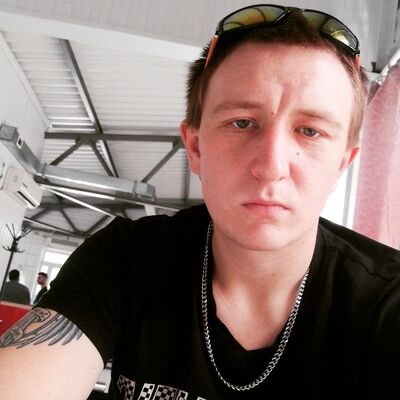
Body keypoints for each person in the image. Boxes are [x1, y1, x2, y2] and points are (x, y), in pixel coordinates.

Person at [0, 4, 399, 399]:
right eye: (242, 122)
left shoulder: (386, 303)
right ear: (195, 147)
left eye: (310, 131)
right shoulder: (126, 260)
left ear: (342, 163)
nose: (271, 166)